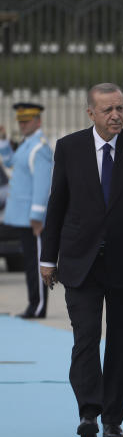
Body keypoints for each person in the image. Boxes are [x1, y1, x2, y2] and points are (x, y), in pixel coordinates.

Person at [39, 83, 123, 437]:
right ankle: (88, 413)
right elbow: (57, 205)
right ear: (91, 113)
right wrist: (48, 259)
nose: (116, 116)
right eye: (108, 110)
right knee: (85, 339)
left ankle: (113, 418)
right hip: (80, 261)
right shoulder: (69, 148)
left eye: (120, 109)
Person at [0, 102, 53, 318]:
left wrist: (37, 217)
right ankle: (33, 303)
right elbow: (10, 162)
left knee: (36, 263)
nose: (23, 125)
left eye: (27, 121)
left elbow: (42, 185)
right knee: (31, 262)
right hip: (22, 218)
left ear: (38, 121)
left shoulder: (39, 148)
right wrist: (4, 141)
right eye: (20, 121)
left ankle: (38, 306)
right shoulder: (27, 144)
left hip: (32, 219)